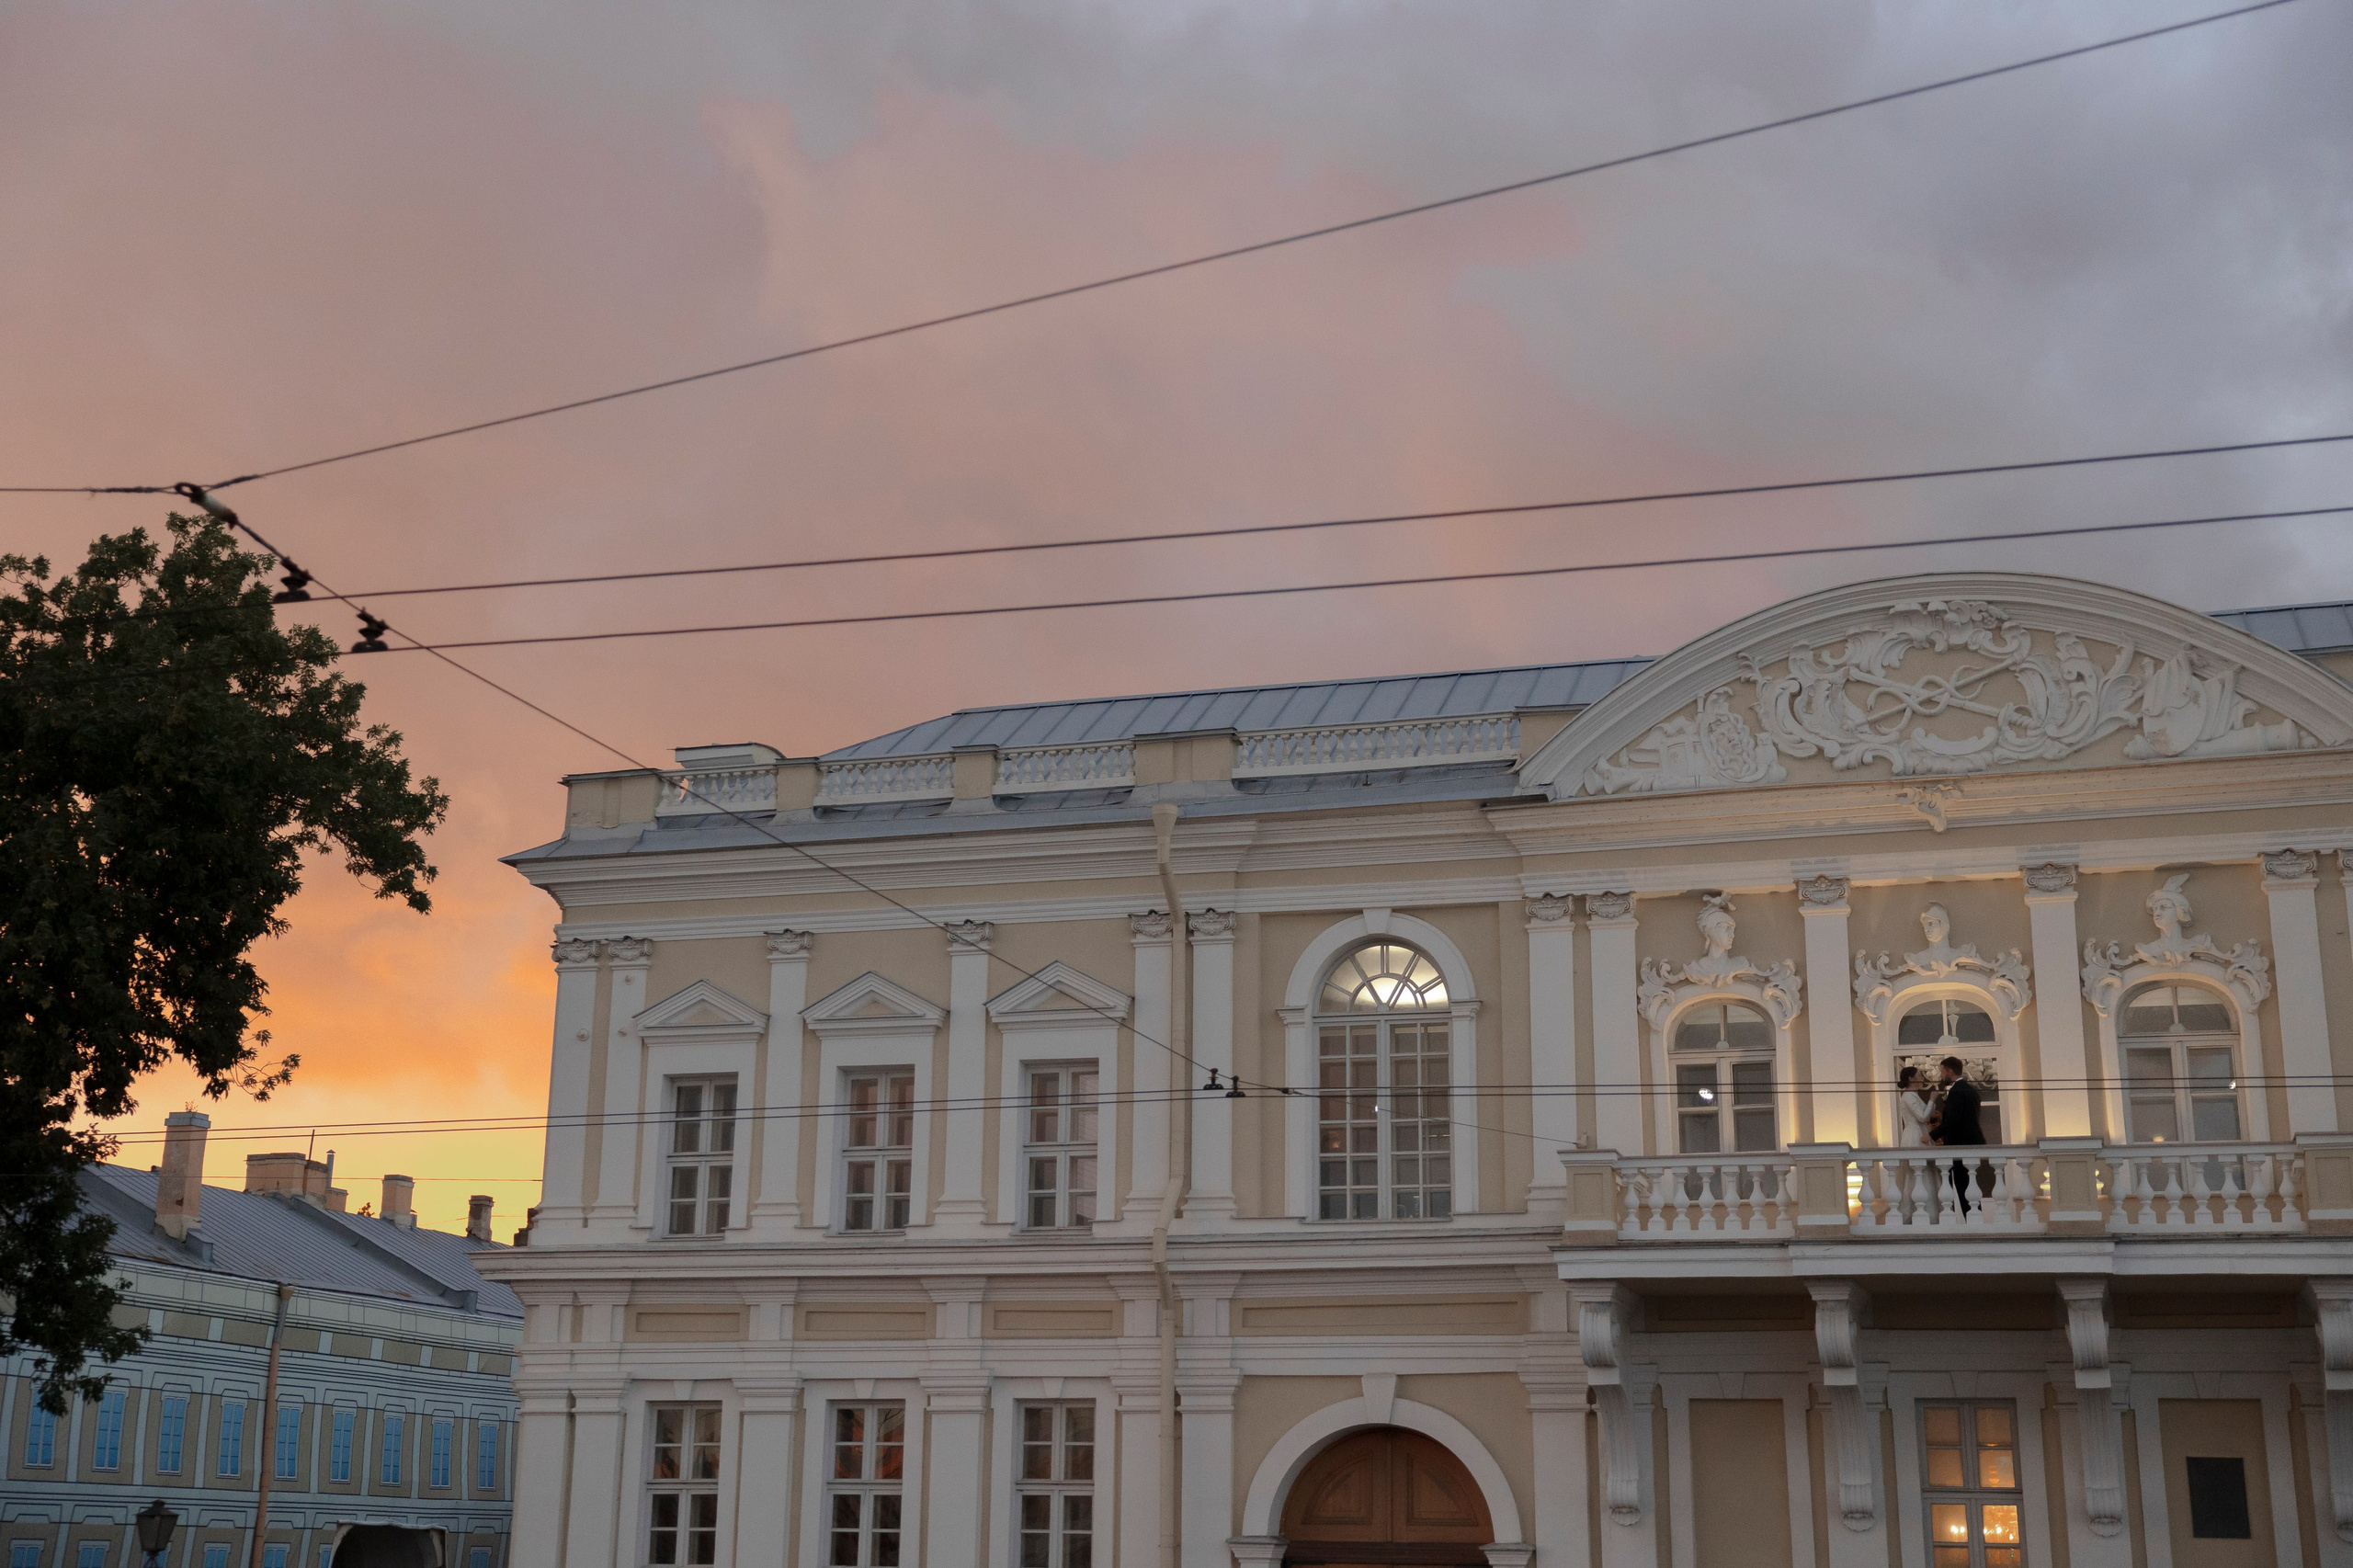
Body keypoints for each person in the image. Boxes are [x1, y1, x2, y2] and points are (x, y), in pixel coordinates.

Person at [1934, 1055, 1987, 1210]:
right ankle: (1973, 1222)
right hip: (1970, 1143)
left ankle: (1973, 1224)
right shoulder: (1968, 1089)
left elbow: (1953, 1121)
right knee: (1969, 1189)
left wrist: (1931, 1135)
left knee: (1965, 1190)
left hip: (1962, 1145)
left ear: (1950, 1071)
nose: (1941, 1075)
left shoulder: (1958, 1091)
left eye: (1942, 1071)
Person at [1894, 1065, 1937, 1148]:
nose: (1922, 1078)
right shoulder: (1909, 1095)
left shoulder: (1913, 1094)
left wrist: (1932, 1102)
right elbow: (1922, 1117)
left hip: (1921, 1130)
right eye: (1919, 1075)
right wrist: (1932, 1099)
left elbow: (1927, 1116)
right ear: (1911, 1078)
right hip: (1915, 1134)